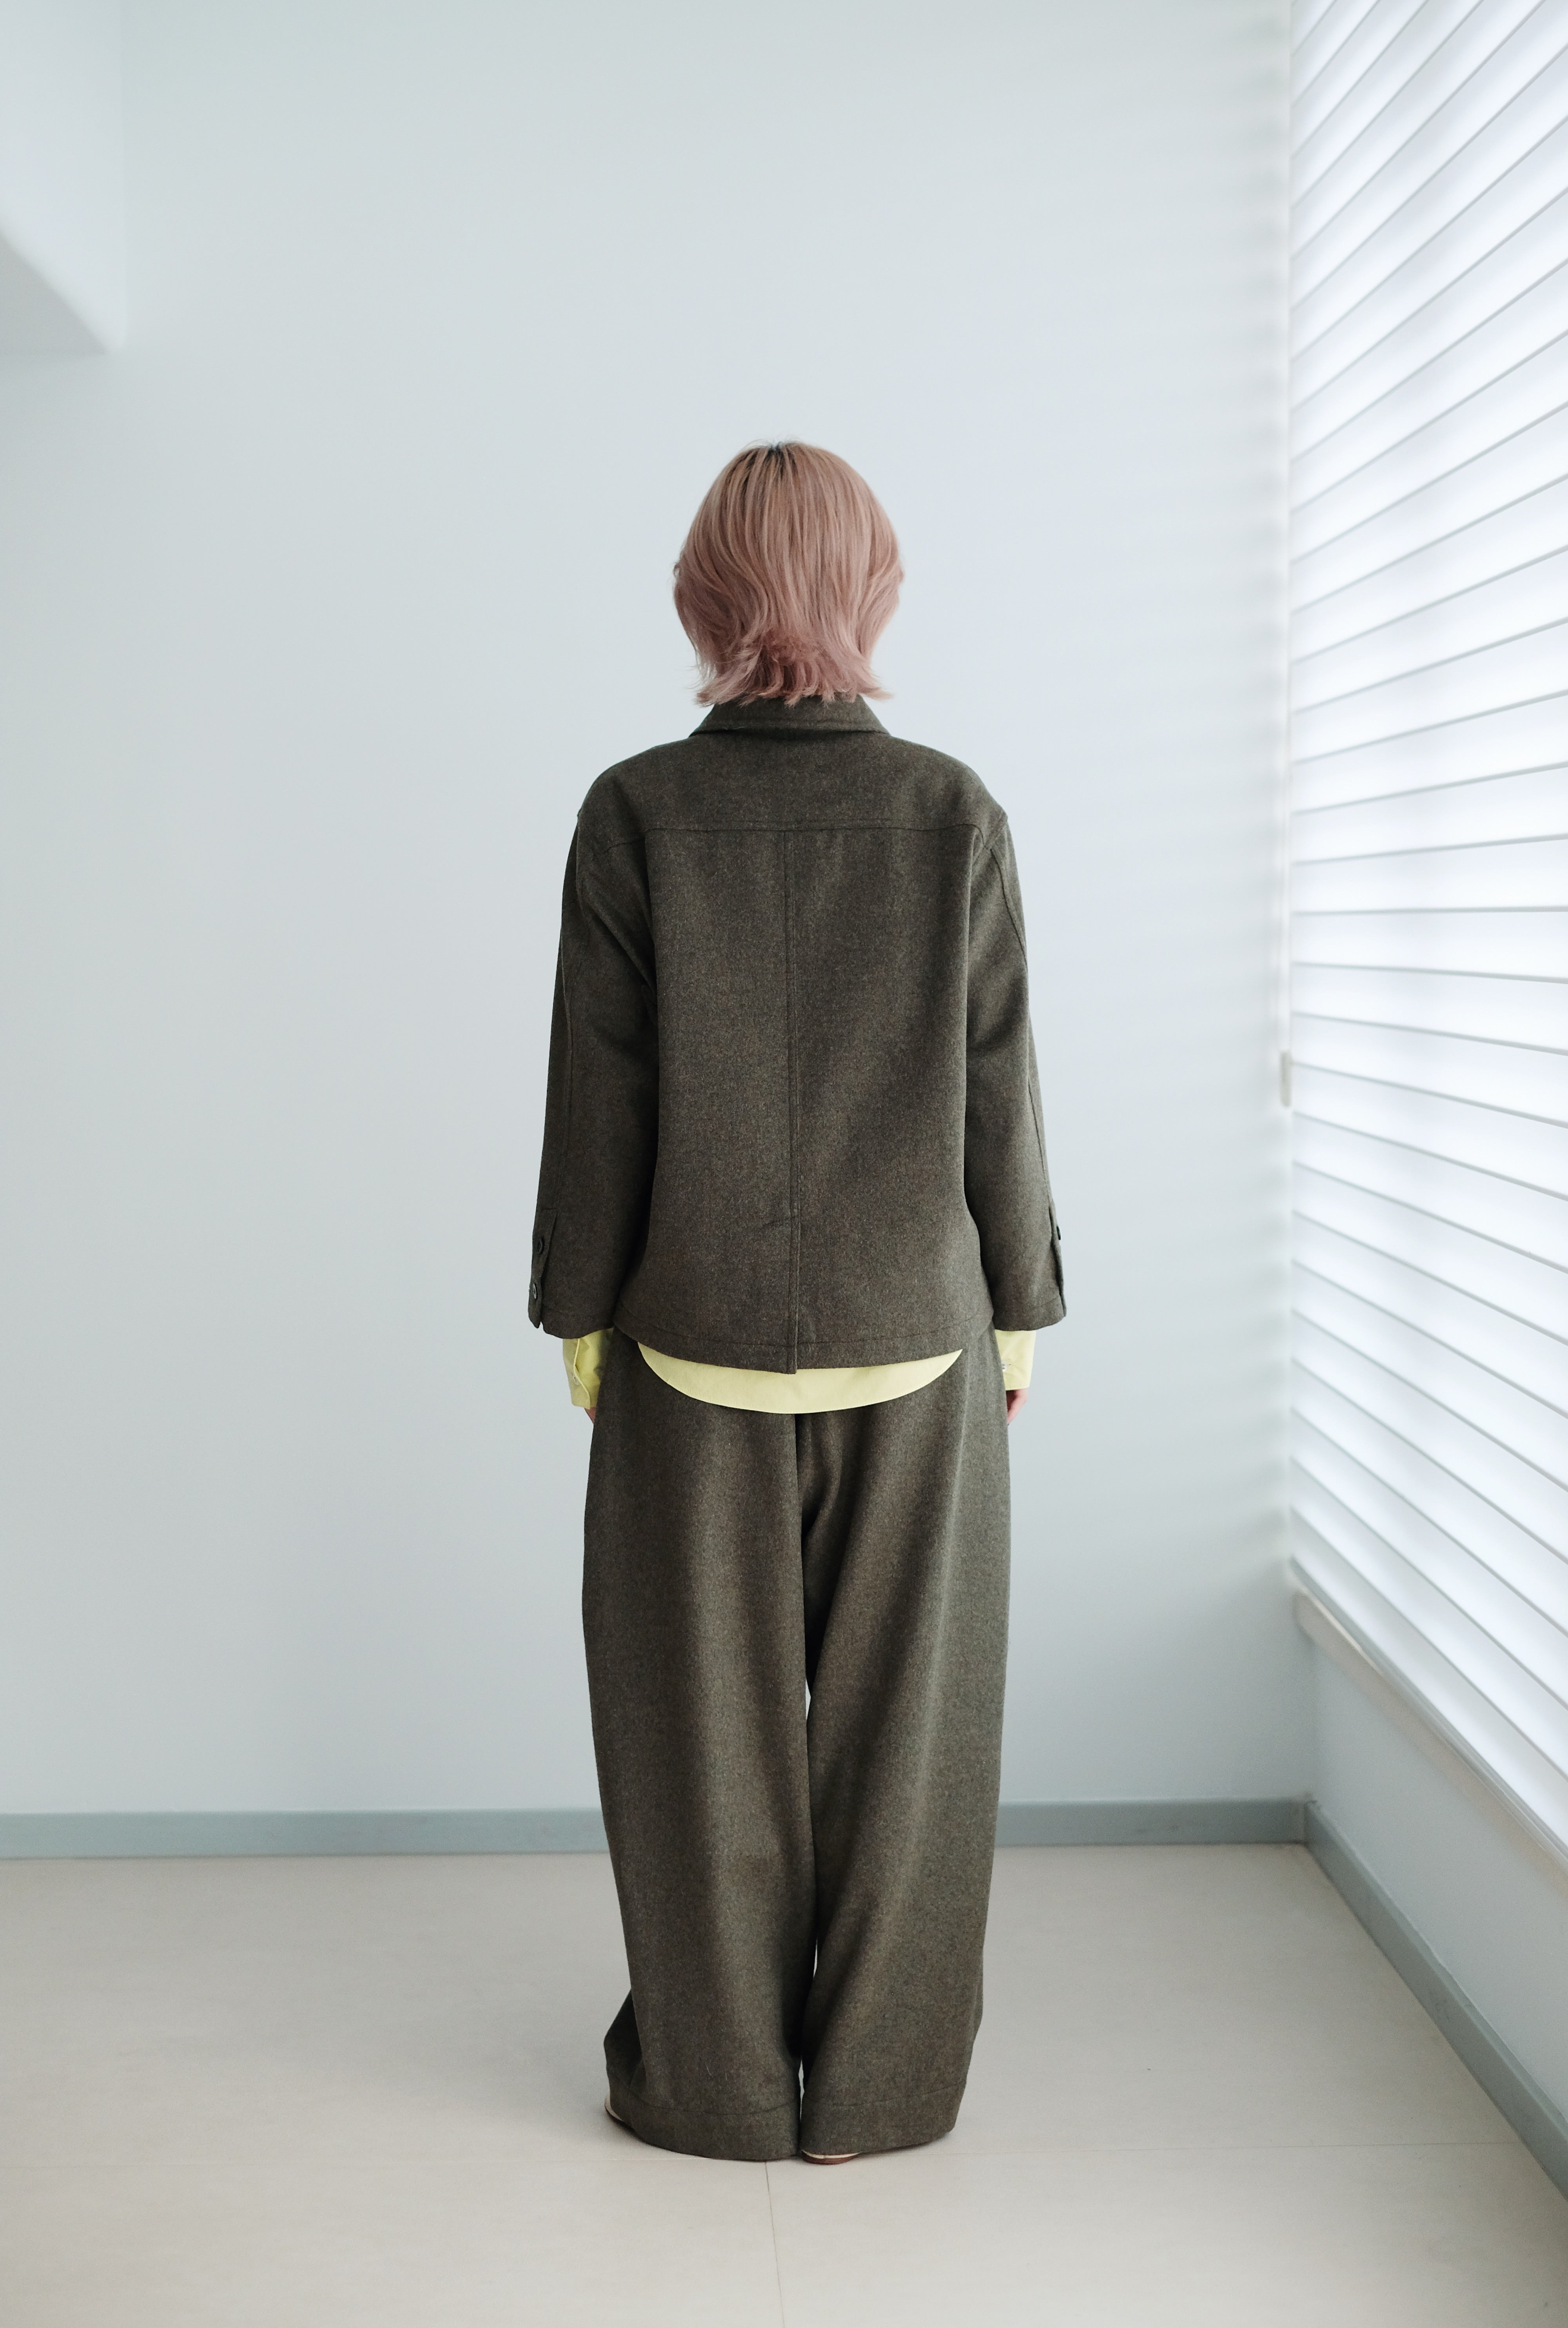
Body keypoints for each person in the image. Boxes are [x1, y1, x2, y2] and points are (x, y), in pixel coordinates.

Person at [528, 441, 1064, 2164]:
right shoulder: (951, 812)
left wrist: (581, 1313)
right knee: (914, 1747)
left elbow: (600, 1093)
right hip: (921, 1338)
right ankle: (879, 2099)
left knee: (696, 1747)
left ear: (701, 599)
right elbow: (998, 1083)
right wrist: (1020, 1307)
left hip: (686, 1336)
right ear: (872, 591)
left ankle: (716, 2090)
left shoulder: (633, 812)